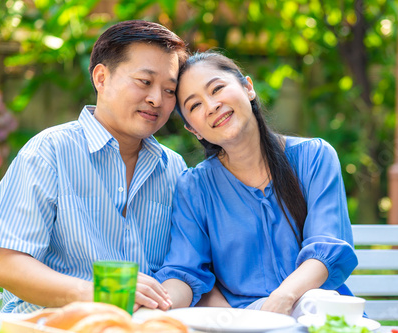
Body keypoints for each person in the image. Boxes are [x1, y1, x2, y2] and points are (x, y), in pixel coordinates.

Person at [0, 20, 188, 313]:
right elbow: (5, 265)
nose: (156, 99)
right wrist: (97, 293)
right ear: (101, 78)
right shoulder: (49, 153)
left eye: (169, 90)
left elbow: (183, 268)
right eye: (144, 82)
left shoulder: (174, 169)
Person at [153, 52, 358, 317]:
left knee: (314, 304)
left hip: (317, 313)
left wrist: (283, 298)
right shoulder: (195, 187)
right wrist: (157, 301)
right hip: (244, 320)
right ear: (194, 130)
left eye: (217, 89)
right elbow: (186, 271)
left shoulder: (314, 157)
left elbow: (327, 248)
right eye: (195, 106)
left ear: (248, 88)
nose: (212, 106)